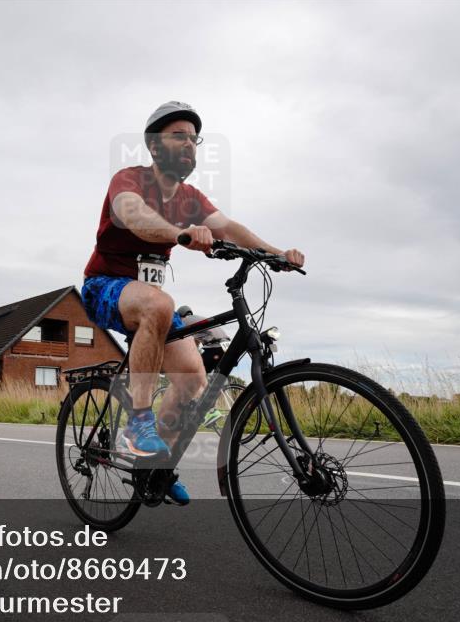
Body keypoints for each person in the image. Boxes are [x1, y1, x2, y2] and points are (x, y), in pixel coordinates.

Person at [80, 101, 304, 505]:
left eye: (193, 138)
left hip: (150, 301)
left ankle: (153, 467)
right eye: (178, 136)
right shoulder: (129, 179)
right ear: (153, 146)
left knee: (193, 379)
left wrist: (277, 254)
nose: (189, 145)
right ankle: (139, 422)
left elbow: (230, 228)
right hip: (105, 286)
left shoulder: (189, 196)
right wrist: (179, 232)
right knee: (160, 304)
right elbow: (133, 215)